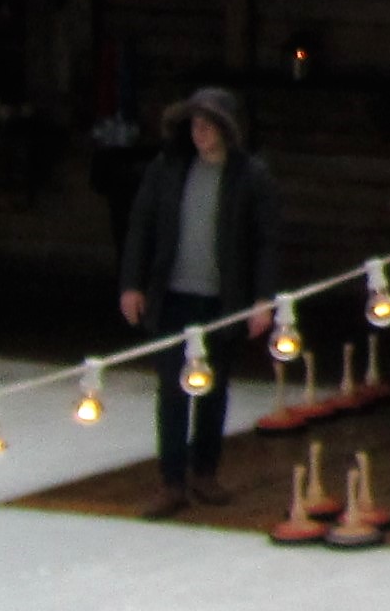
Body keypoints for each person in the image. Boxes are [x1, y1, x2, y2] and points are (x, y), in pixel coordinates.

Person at [116, 87, 281, 518]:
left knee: (212, 390)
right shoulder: (168, 168)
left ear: (225, 130)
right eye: (194, 124)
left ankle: (204, 472)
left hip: (222, 302)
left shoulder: (250, 176)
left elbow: (266, 242)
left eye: (207, 125)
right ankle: (171, 481)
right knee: (171, 390)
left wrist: (264, 299)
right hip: (173, 298)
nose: (200, 132)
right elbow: (141, 225)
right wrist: (131, 285)